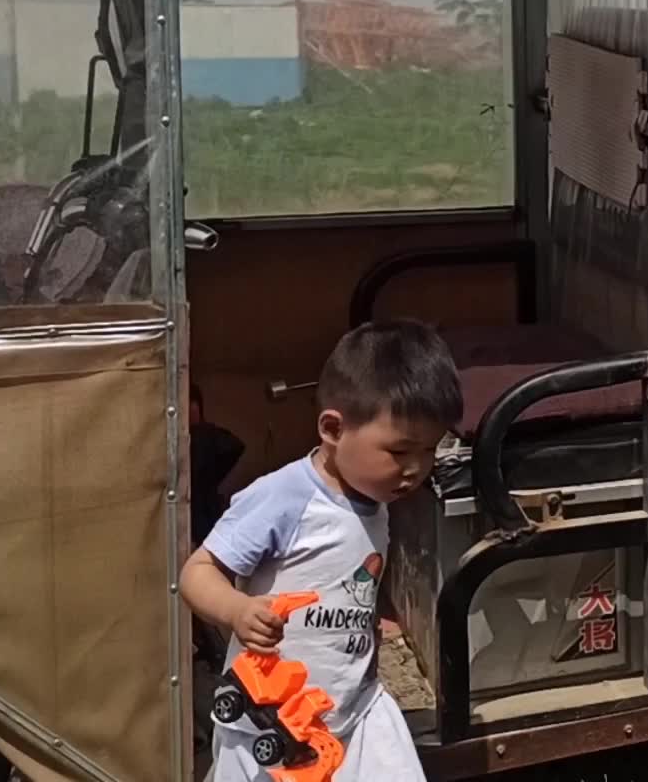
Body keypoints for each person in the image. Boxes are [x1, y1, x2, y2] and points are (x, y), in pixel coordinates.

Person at [180, 319, 461, 782]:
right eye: (399, 451)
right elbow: (198, 571)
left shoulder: (375, 497)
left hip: (356, 707)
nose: (416, 470)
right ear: (333, 428)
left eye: (429, 451)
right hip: (268, 716)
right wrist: (236, 610)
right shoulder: (285, 497)